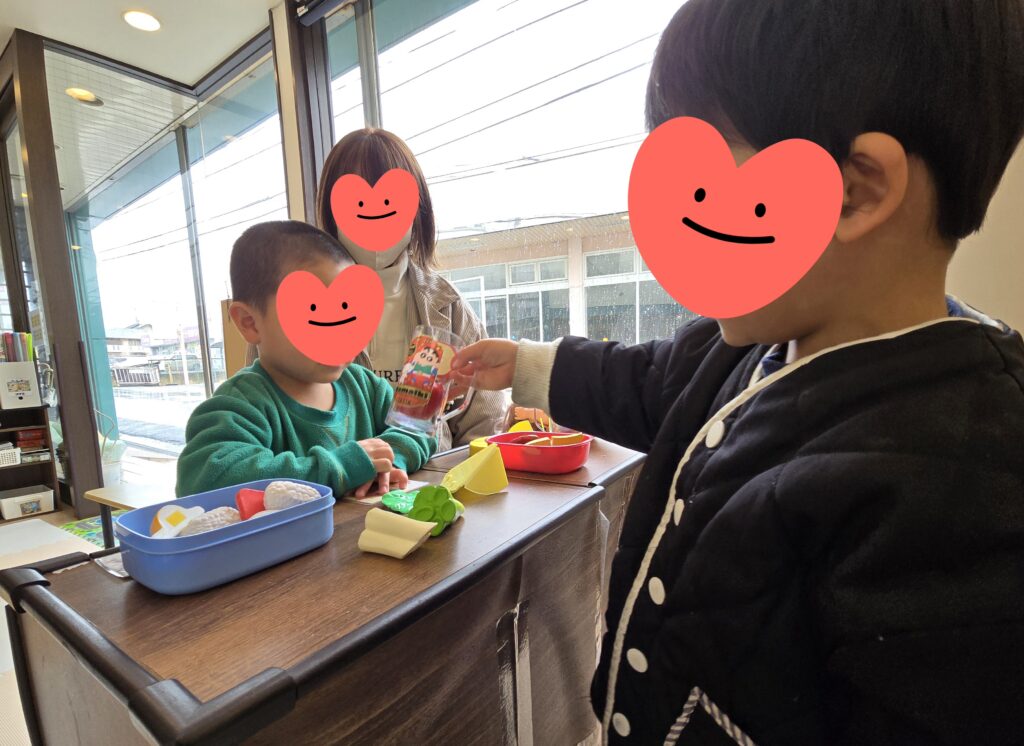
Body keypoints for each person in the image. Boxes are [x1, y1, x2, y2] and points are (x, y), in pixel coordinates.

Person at [451, 1, 1024, 743]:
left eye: (704, 183)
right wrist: (529, 365)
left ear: (856, 190)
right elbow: (648, 382)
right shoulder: (750, 345)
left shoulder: (966, 480)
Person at [176, 221, 435, 499]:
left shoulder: (366, 387)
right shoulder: (239, 405)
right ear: (249, 322)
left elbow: (417, 429)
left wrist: (387, 461)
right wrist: (338, 468)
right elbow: (205, 479)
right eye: (314, 312)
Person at [315, 128, 508, 451]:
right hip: (336, 481)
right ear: (331, 209)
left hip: (434, 480)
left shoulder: (448, 306)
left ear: (417, 209)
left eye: (390, 200)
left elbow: (483, 427)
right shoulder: (297, 306)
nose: (373, 212)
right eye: (357, 201)